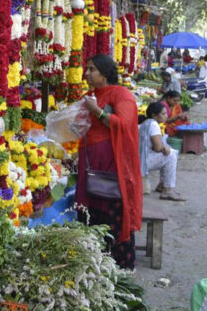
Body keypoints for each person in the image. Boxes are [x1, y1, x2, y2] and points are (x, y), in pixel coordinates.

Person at [78, 54, 142, 270]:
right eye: (86, 69)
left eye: (91, 69)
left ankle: (121, 269)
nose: (86, 73)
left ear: (104, 74)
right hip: (90, 162)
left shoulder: (121, 95)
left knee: (112, 212)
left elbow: (123, 125)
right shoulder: (90, 96)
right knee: (90, 212)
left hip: (113, 165)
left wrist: (96, 110)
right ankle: (93, 267)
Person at [139, 102, 186, 201]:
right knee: (171, 155)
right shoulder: (153, 124)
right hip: (141, 162)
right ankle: (167, 190)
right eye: (163, 114)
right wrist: (164, 148)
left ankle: (162, 185)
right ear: (154, 115)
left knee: (171, 153)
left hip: (139, 158)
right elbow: (158, 147)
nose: (166, 116)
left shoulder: (145, 123)